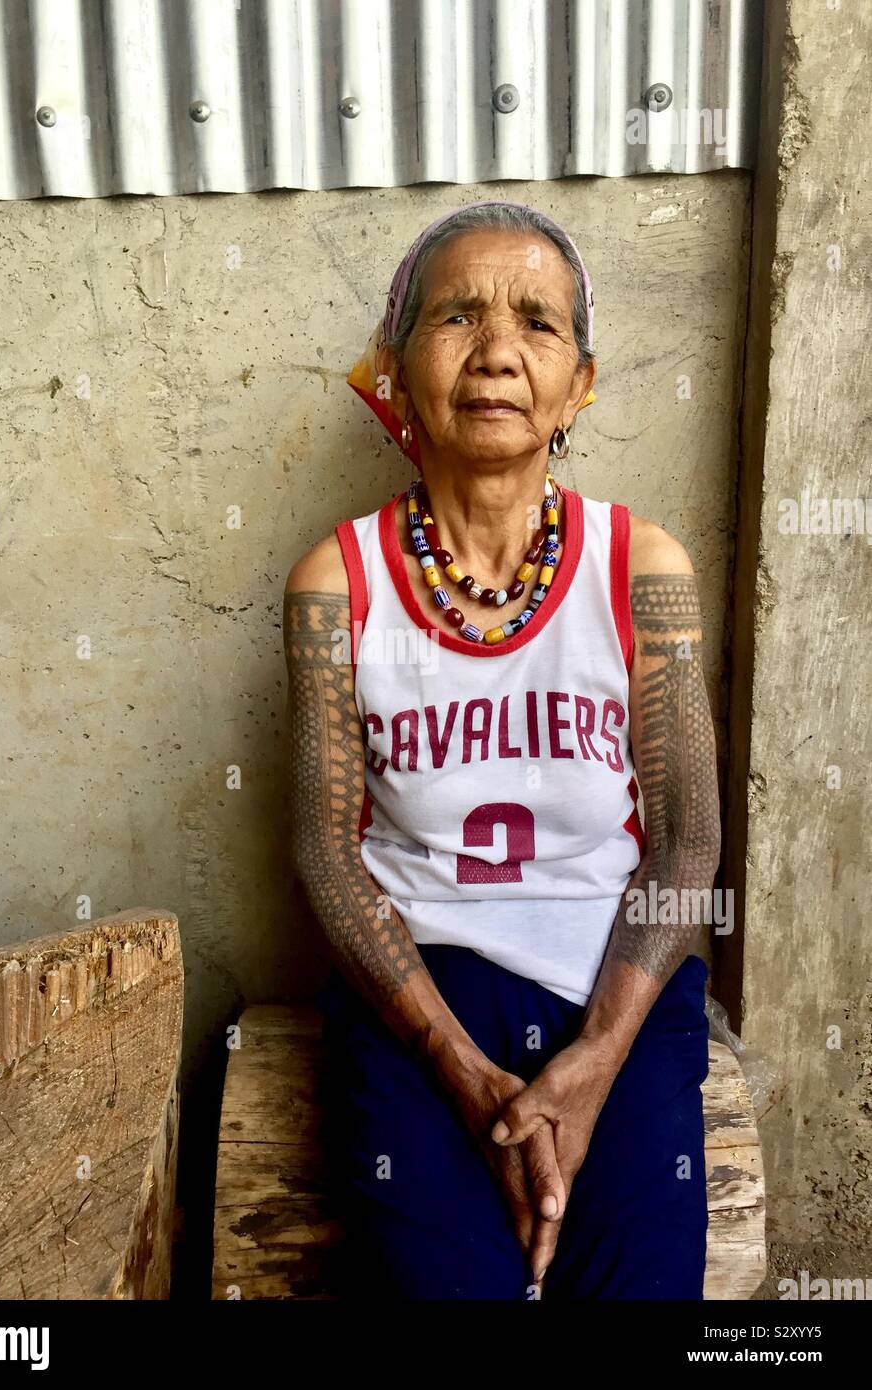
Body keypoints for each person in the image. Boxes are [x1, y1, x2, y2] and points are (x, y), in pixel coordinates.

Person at [282, 200, 721, 1300]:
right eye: (455, 317)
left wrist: (593, 1061)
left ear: (576, 383)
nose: (494, 353)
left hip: (614, 981)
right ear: (394, 367)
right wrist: (461, 1073)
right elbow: (329, 855)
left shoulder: (639, 565)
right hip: (417, 997)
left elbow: (683, 843)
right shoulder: (337, 582)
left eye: (537, 323)